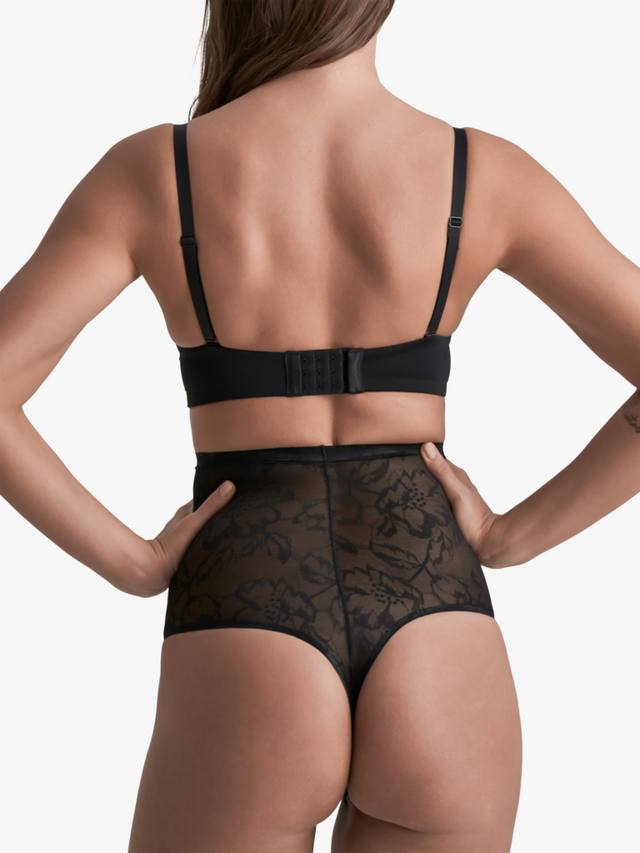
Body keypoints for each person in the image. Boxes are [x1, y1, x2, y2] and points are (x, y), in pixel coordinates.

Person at [1, 2, 639, 851]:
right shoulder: (479, 171)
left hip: (246, 598)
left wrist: (134, 561)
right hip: (438, 614)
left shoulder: (159, 170)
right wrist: (511, 534)